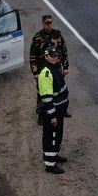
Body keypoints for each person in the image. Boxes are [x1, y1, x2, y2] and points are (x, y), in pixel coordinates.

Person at [37, 45, 69, 174]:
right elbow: (46, 98)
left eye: (56, 56)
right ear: (46, 56)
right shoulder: (46, 73)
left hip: (59, 111)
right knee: (51, 137)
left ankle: (54, 155)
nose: (55, 58)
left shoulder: (55, 67)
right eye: (52, 56)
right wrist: (53, 116)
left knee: (58, 135)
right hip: (53, 113)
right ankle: (50, 165)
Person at [30, 15, 70, 116]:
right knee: (42, 92)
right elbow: (33, 56)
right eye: (47, 23)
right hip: (42, 70)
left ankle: (62, 109)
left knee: (59, 88)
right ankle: (42, 114)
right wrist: (35, 72)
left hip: (57, 68)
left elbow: (64, 51)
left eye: (50, 23)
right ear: (43, 24)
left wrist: (65, 67)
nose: (49, 25)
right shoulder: (38, 37)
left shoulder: (58, 35)